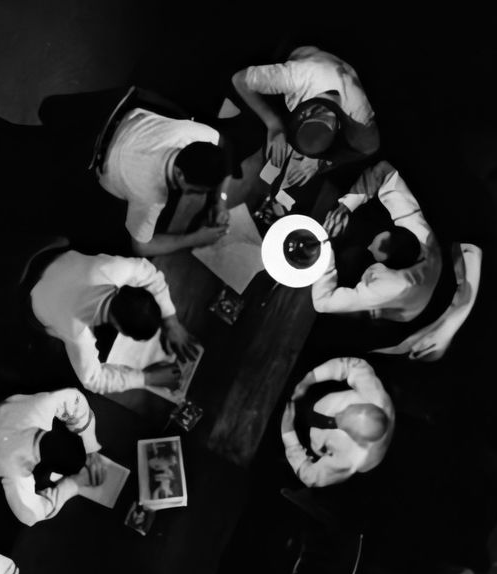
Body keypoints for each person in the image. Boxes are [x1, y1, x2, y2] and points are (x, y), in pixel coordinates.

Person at [30, 249, 200, 395]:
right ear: (120, 330)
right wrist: (147, 378)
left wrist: (171, 320)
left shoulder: (114, 269)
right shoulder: (78, 333)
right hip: (29, 302)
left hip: (45, 257)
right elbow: (92, 380)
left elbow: (149, 274)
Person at [313, 161, 442, 333]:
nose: (368, 248)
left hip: (409, 311)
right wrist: (345, 207)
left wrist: (327, 245)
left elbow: (322, 302)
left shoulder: (390, 286)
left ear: (387, 267)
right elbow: (384, 169)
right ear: (396, 227)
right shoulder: (416, 227)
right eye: (373, 242)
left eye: (373, 253)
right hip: (433, 264)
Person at [231, 45, 379, 185]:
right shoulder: (297, 77)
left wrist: (321, 161)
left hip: (342, 70)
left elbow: (370, 148)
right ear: (301, 113)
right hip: (303, 51)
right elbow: (239, 80)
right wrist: (273, 124)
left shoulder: (359, 114)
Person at [97, 107, 232, 257]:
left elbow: (222, 146)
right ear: (179, 174)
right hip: (100, 163)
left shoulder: (193, 133)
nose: (199, 195)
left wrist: (220, 201)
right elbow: (142, 248)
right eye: (197, 190)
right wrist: (195, 239)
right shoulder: (151, 198)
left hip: (118, 114)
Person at [0, 388, 106, 527]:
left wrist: (89, 448)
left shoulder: (43, 406)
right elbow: (32, 515)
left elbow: (76, 399)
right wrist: (74, 484)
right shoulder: (18, 475)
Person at [282, 356, 394, 488]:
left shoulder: (350, 460)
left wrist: (287, 431)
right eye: (348, 408)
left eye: (340, 421)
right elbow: (354, 365)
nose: (337, 414)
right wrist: (309, 380)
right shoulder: (375, 395)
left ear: (354, 439)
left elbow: (310, 477)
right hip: (320, 399)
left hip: (312, 439)